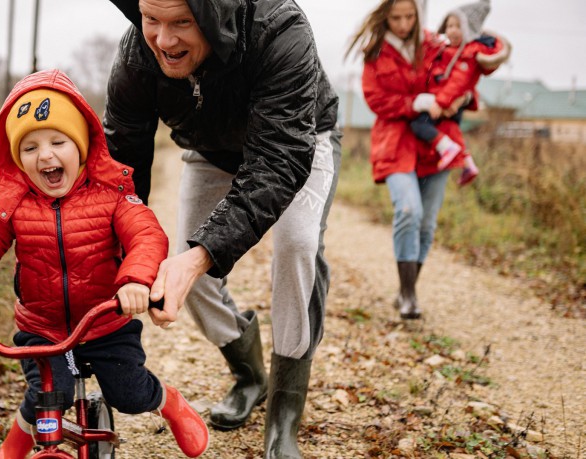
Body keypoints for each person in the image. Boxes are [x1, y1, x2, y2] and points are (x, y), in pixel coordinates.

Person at [0, 69, 208, 459]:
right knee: (44, 396)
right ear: (17, 158)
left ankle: (169, 402)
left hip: (107, 321)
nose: (46, 155)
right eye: (30, 147)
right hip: (43, 327)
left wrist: (136, 281)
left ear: (82, 146)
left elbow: (146, 235)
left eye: (59, 141)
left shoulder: (111, 194)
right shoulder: (12, 203)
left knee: (129, 392)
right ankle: (14, 448)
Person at [103, 0, 340, 457]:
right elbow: (123, 167)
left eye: (181, 23)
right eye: (151, 20)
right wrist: (117, 254)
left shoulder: (280, 28)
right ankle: (250, 376)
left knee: (297, 244)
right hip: (210, 150)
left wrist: (203, 255)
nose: (163, 40)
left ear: (211, 16)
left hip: (297, 143)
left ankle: (284, 416)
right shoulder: (137, 53)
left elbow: (278, 161)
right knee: (185, 267)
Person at [346, 0, 468, 320]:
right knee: (409, 209)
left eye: (409, 17)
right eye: (396, 18)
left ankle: (406, 291)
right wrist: (416, 103)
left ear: (417, 15)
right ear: (385, 16)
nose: (403, 24)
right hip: (395, 143)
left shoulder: (433, 44)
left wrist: (461, 96)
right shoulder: (375, 53)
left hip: (437, 144)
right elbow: (376, 99)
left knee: (427, 222)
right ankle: (409, 295)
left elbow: (460, 71)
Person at [409, 0, 510, 186]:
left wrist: (441, 102)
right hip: (447, 101)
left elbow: (457, 83)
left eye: (458, 26)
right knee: (451, 130)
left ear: (469, 29)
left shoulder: (467, 54)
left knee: (419, 125)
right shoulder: (449, 50)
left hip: (446, 102)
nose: (452, 30)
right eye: (449, 25)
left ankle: (446, 148)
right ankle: (468, 163)